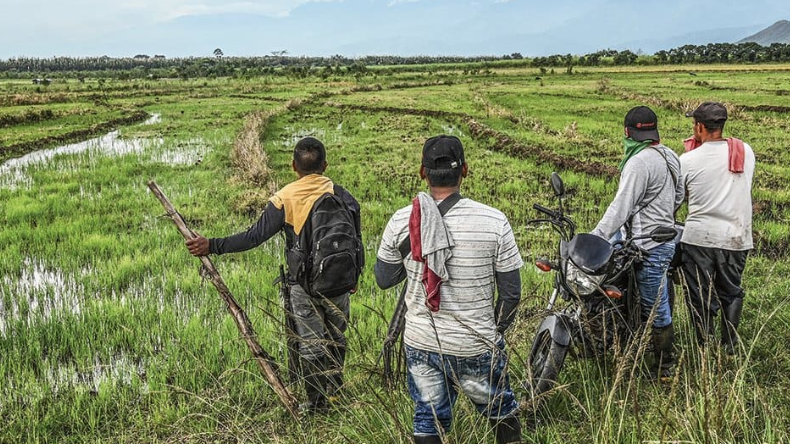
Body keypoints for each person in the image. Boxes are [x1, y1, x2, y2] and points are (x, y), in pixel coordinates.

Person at [185, 137, 363, 412]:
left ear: (294, 166)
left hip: (303, 285)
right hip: (341, 282)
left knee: (311, 344)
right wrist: (355, 276)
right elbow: (356, 239)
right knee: (337, 337)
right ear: (325, 165)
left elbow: (253, 237)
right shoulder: (342, 194)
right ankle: (336, 393)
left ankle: (317, 405)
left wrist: (212, 245)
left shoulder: (284, 198)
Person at [374, 135, 523, 444]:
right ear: (464, 170)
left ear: (422, 172)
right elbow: (511, 294)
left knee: (428, 418)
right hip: (476, 342)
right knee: (500, 411)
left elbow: (384, 279)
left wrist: (417, 255)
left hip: (422, 342)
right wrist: (492, 333)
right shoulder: (495, 221)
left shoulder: (402, 220)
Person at [590, 106, 683, 379]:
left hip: (648, 245)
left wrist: (595, 237)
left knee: (656, 306)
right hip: (661, 238)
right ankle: (624, 337)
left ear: (626, 133)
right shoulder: (670, 155)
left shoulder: (638, 163)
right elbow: (679, 196)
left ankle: (665, 366)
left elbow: (621, 207)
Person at [679, 101, 755, 355]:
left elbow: (680, 197)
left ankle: (704, 345)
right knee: (731, 291)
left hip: (698, 238)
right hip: (736, 237)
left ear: (700, 127)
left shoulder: (687, 160)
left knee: (699, 294)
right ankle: (729, 346)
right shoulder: (744, 151)